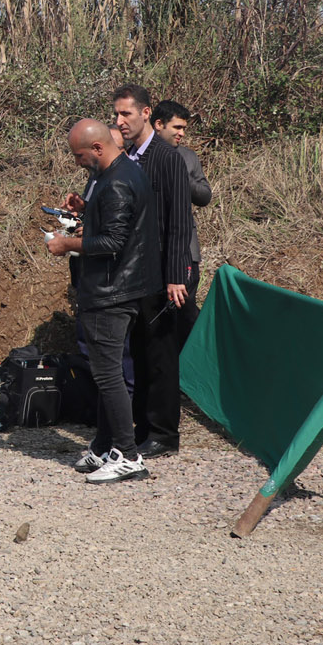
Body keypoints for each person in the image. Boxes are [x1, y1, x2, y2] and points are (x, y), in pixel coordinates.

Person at [47, 120, 160, 483]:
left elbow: (113, 242)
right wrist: (86, 210)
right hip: (120, 288)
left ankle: (128, 455)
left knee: (109, 374)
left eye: (79, 156)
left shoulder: (118, 182)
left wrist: (66, 244)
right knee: (104, 371)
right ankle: (102, 446)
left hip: (111, 293)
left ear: (97, 149)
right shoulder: (123, 173)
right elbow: (114, 225)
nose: (78, 162)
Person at [113, 84, 192, 458]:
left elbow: (179, 221)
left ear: (146, 114)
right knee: (141, 355)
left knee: (161, 355)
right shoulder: (128, 157)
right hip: (136, 273)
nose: (119, 121)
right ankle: (144, 428)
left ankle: (164, 434)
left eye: (125, 114)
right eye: (116, 115)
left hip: (164, 274)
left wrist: (176, 275)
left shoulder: (167, 158)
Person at [151, 100, 211, 347]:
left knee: (184, 315)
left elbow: (205, 195)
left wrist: (180, 176)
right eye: (177, 127)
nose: (182, 133)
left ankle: (190, 371)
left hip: (186, 253)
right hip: (152, 251)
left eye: (184, 128)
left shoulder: (187, 157)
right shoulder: (138, 156)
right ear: (158, 124)